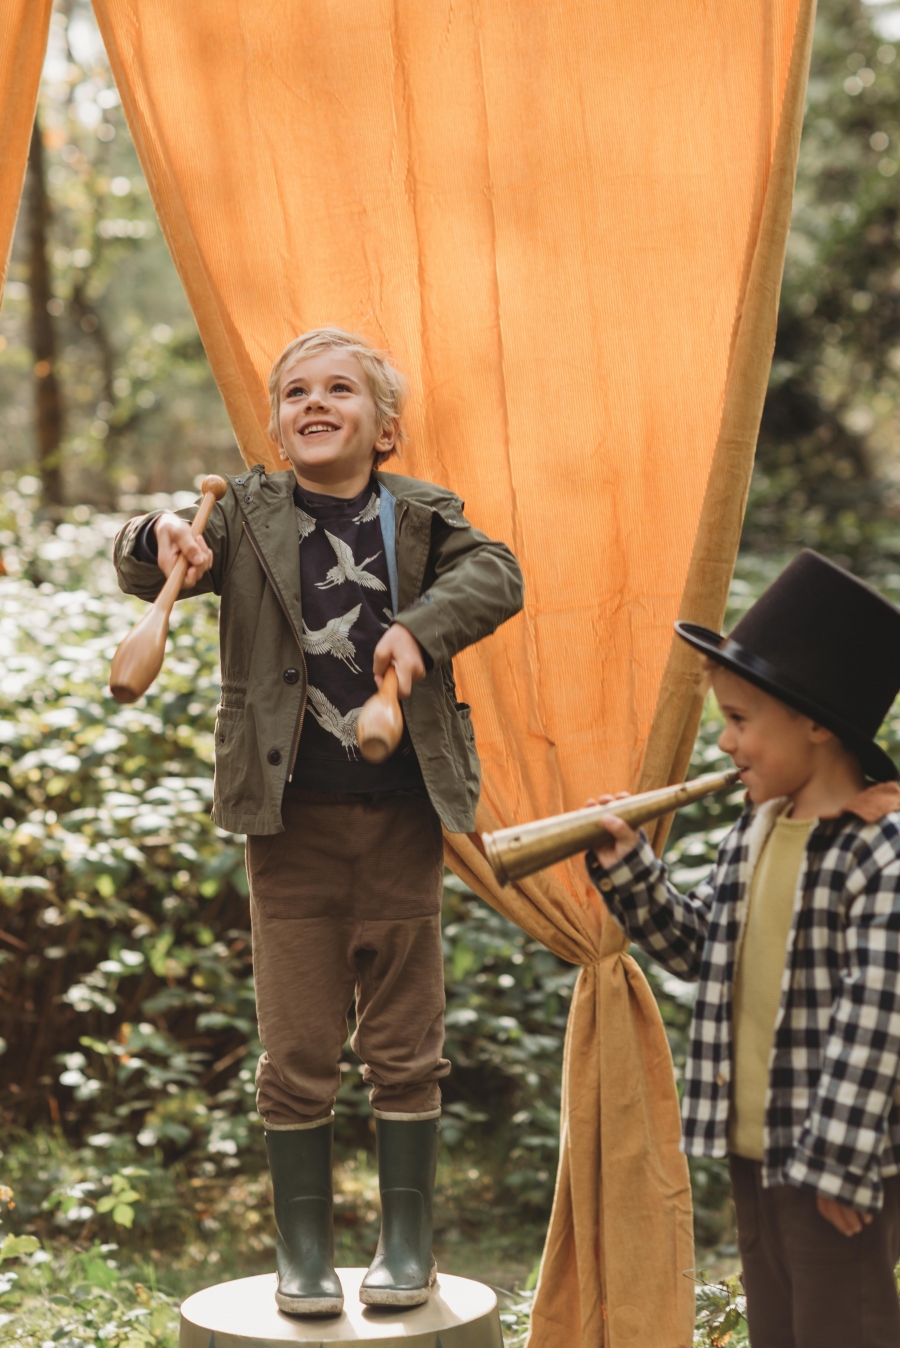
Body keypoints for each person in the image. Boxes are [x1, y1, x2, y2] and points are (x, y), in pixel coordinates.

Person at [114, 327, 524, 1315]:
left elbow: (500, 575)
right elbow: (145, 572)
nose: (315, 401)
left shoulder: (422, 518)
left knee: (405, 1039)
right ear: (273, 423)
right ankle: (303, 1256)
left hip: (399, 819)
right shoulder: (244, 519)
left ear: (386, 427)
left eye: (340, 388)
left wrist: (417, 630)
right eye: (295, 390)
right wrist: (154, 537)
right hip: (287, 825)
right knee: (296, 1046)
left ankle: (405, 1244)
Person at [586, 550, 900, 1348]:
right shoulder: (754, 832)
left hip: (833, 1163)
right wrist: (630, 871)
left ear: (817, 723)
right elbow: (703, 952)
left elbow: (879, 1017)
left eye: (740, 720)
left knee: (844, 1328)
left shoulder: (876, 851)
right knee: (780, 1330)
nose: (725, 744)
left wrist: (838, 1160)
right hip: (752, 1151)